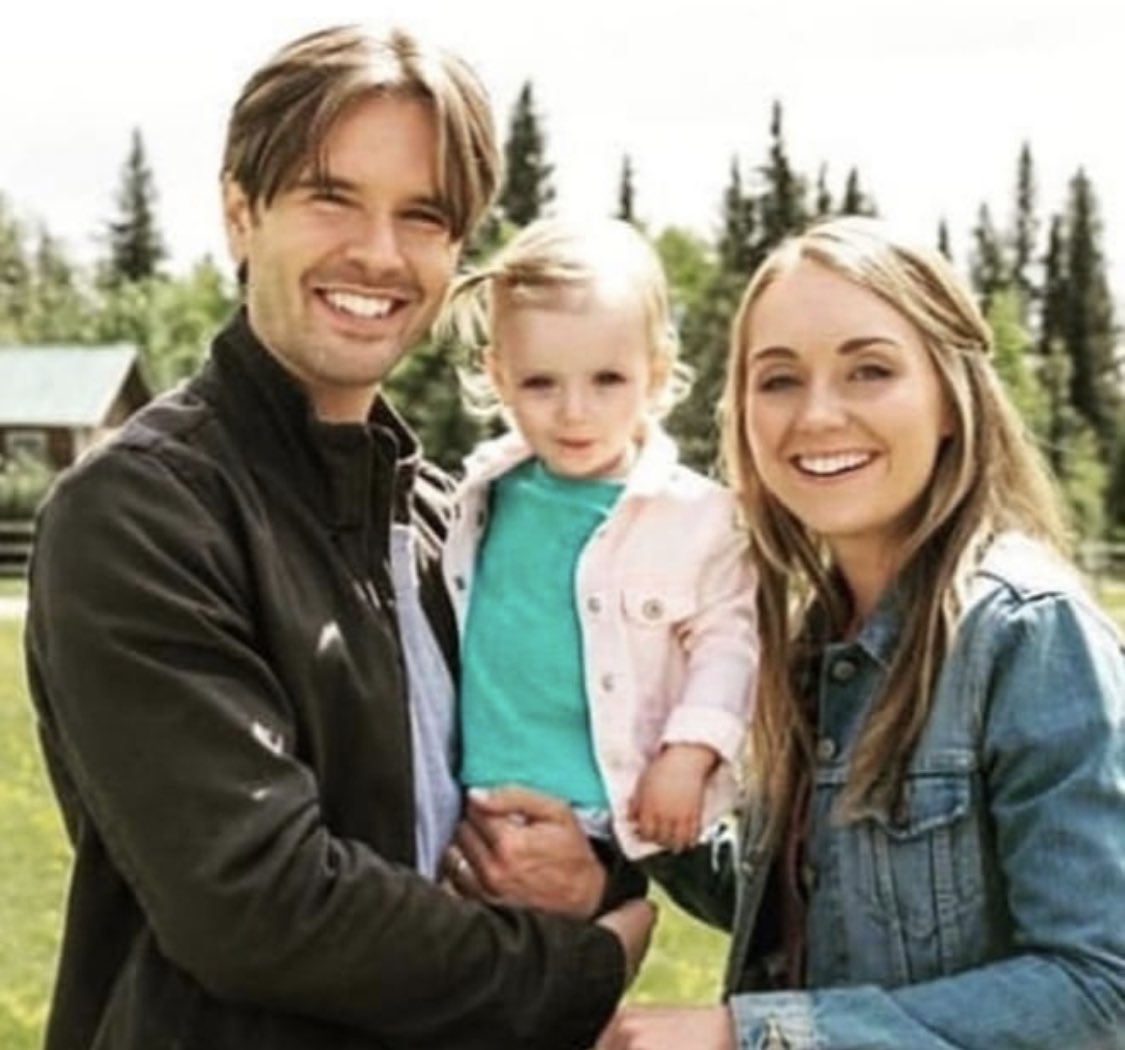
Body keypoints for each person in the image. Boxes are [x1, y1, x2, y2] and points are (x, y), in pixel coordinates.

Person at [23, 24, 653, 1050]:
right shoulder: (139, 513)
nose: (378, 252)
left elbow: (581, 766)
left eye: (424, 216)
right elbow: (256, 903)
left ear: (456, 256)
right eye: (332, 197)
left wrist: (597, 872)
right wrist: (580, 967)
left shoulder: (456, 522)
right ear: (241, 211)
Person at [596, 216, 1125, 1049]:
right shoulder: (810, 639)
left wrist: (748, 1035)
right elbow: (833, 897)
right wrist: (633, 813)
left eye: (868, 370)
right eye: (777, 380)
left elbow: (1097, 989)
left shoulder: (1027, 635)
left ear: (951, 399)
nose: (815, 415)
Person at [438, 217, 758, 865]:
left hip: (604, 813)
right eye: (540, 383)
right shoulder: (478, 496)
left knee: (563, 957)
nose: (574, 411)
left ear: (656, 370)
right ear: (498, 377)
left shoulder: (698, 518)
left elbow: (729, 648)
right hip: (468, 806)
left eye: (606, 380)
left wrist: (687, 754)